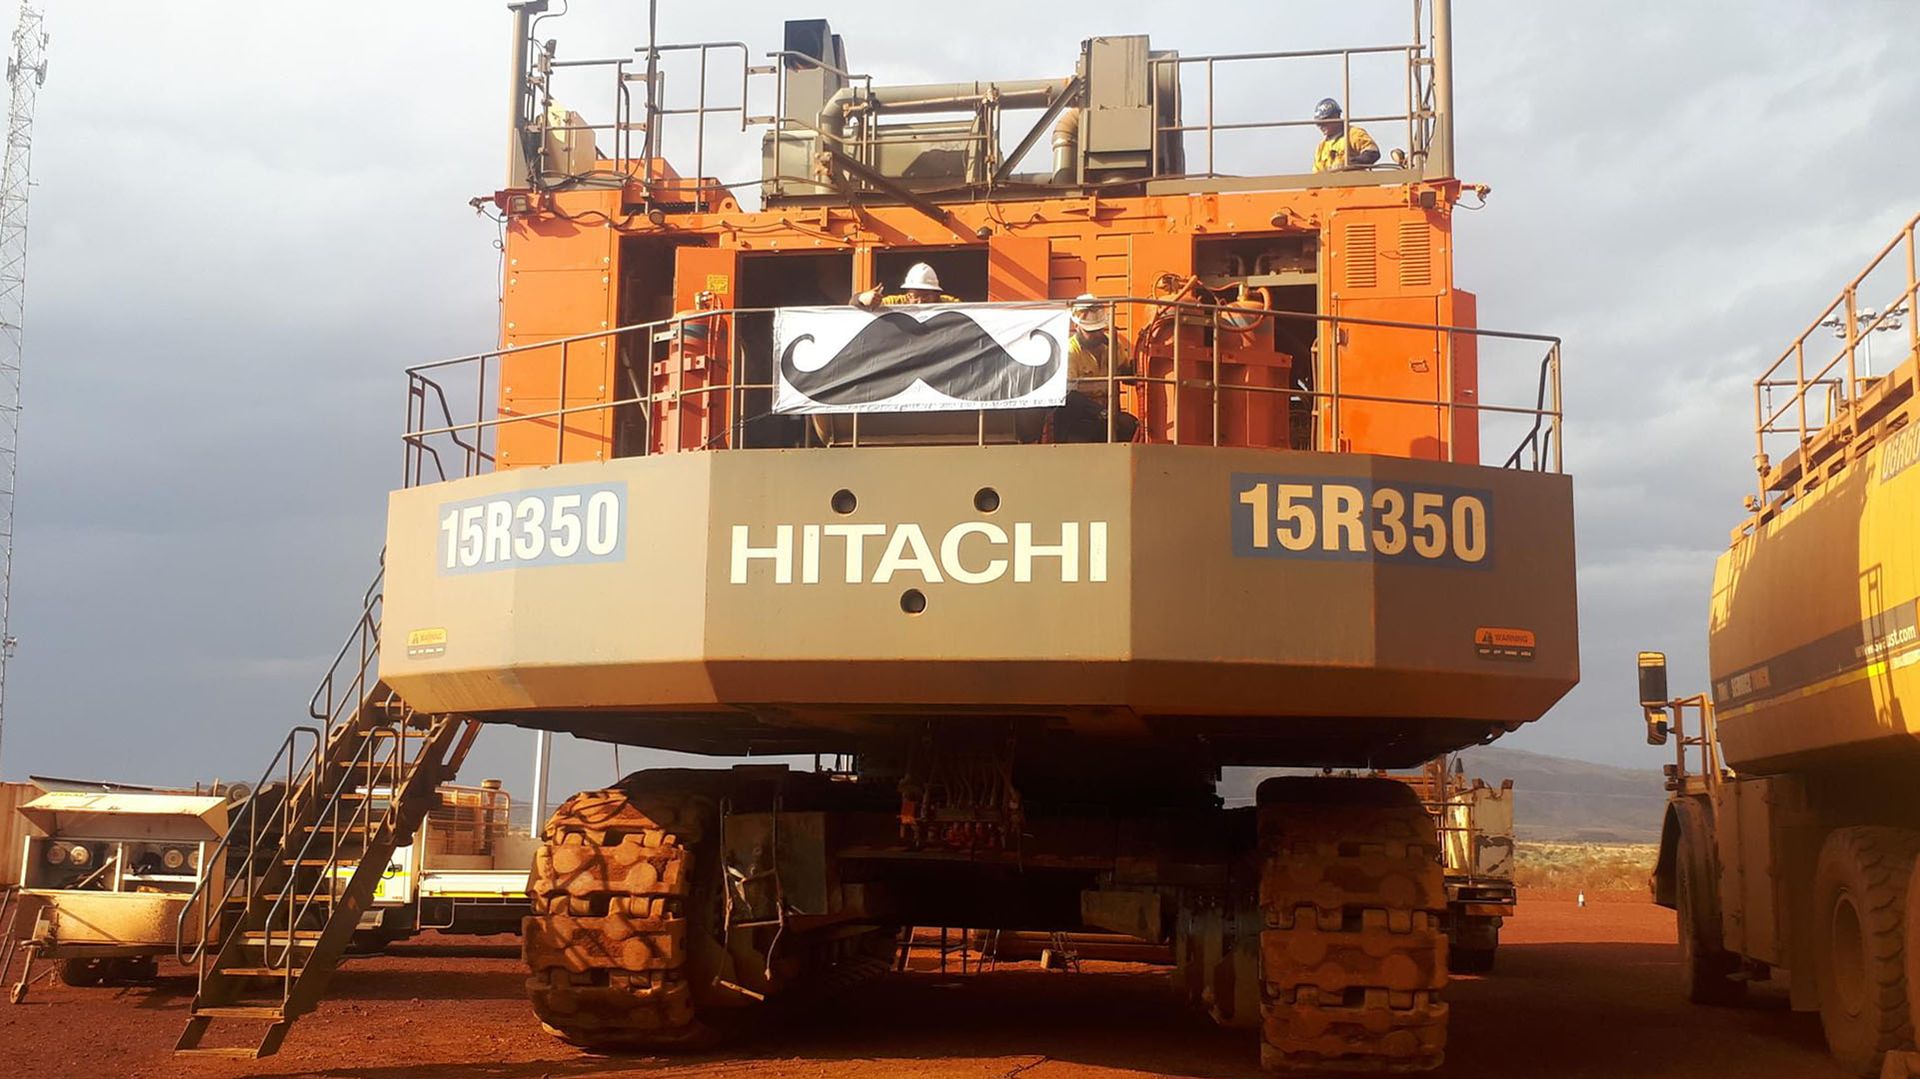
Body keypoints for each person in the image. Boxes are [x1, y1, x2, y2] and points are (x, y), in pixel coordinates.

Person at [1055, 294, 1139, 443]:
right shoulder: (1069, 351)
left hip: (1106, 415)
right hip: (1078, 418)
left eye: (1099, 329)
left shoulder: (1112, 346)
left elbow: (1126, 373)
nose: (1097, 334)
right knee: (1085, 435)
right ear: (1077, 327)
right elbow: (1069, 395)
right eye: (1091, 331)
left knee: (1130, 425)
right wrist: (1102, 412)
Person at [1311, 97, 1379, 173]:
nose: (1321, 126)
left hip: (1354, 182)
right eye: (1318, 124)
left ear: (1336, 116)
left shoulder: (1353, 133)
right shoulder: (1321, 147)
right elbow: (1317, 174)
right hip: (1331, 184)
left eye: (1324, 122)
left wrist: (1350, 164)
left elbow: (1372, 153)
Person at [853, 262, 960, 309]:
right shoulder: (894, 303)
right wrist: (862, 299)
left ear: (937, 295)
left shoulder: (949, 303)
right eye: (915, 297)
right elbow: (852, 306)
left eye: (926, 296)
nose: (920, 302)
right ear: (908, 295)